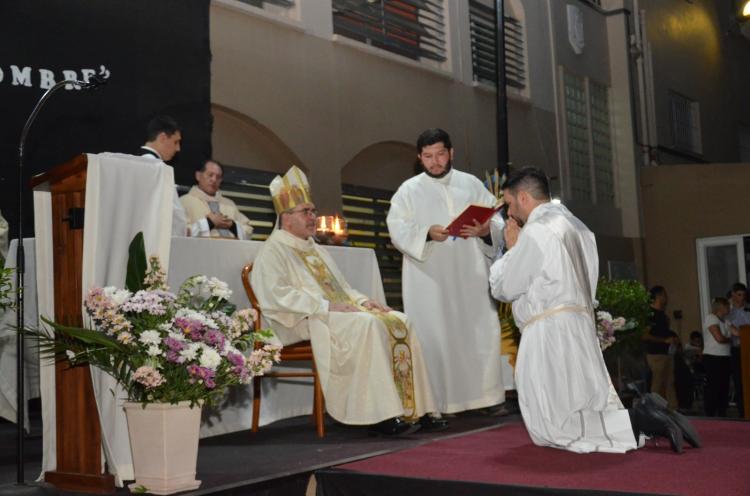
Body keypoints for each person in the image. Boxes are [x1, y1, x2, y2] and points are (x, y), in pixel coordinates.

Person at [489, 167, 699, 453]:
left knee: (553, 422)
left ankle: (641, 419)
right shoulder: (578, 227)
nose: (511, 214)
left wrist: (510, 249)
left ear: (524, 198)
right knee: (582, 402)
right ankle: (649, 416)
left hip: (549, 331)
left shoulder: (536, 231)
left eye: (511, 204)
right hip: (579, 327)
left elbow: (506, 287)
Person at [251, 166, 446, 436]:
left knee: (399, 320)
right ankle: (381, 417)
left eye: (312, 210)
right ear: (286, 219)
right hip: (299, 321)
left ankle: (419, 409)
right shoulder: (272, 251)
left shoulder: (314, 248)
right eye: (305, 212)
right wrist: (326, 307)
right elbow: (275, 296)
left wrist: (366, 302)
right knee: (366, 327)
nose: (313, 217)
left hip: (329, 313)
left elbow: (341, 289)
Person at [386, 128, 506, 414]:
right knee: (435, 335)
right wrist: (426, 233)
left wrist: (486, 229)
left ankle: (485, 399)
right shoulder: (408, 190)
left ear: (451, 153)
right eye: (428, 156)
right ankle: (437, 402)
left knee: (478, 331)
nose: (435, 161)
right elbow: (397, 229)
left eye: (440, 154)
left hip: (470, 271)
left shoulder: (472, 183)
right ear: (420, 158)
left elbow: (497, 220)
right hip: (429, 277)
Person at [138, 114, 188, 236]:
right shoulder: (159, 168)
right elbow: (174, 215)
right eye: (176, 142)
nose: (178, 149)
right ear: (162, 138)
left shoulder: (133, 162)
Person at [180, 160, 253, 239]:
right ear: (198, 176)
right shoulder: (184, 202)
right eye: (210, 175)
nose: (214, 180)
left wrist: (232, 225)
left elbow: (248, 231)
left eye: (218, 177)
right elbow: (179, 232)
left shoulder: (229, 204)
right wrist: (209, 223)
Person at [642, 286, 679, 409]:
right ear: (659, 296)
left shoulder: (663, 315)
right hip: (656, 354)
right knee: (657, 384)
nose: (666, 298)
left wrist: (672, 339)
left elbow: (663, 331)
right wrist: (664, 340)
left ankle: (673, 409)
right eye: (664, 295)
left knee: (669, 383)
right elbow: (645, 336)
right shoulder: (650, 314)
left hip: (667, 353)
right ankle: (654, 410)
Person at [702, 297, 738, 417]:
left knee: (724, 386)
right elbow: (719, 338)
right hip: (713, 357)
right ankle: (710, 413)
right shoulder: (711, 318)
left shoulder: (726, 321)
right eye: (727, 306)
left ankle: (722, 412)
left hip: (724, 357)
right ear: (720, 308)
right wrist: (731, 340)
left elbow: (738, 333)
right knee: (714, 386)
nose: (729, 308)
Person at [727, 282, 748, 417]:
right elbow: (727, 330)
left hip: (748, 350)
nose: (742, 298)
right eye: (739, 295)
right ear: (733, 294)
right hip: (735, 350)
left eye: (743, 295)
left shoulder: (748, 311)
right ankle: (742, 412)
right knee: (739, 382)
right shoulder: (727, 312)